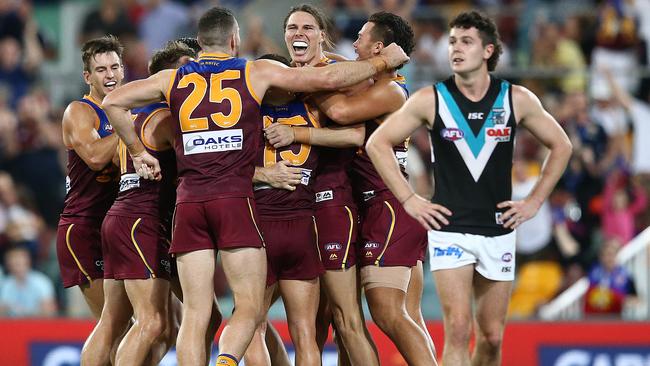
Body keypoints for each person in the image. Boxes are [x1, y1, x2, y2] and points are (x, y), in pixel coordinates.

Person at [102, 7, 409, 366]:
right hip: (240, 204)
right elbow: (328, 83)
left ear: (199, 43)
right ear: (234, 41)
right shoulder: (254, 72)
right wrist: (381, 62)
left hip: (189, 203)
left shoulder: (172, 80)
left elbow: (112, 102)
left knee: (198, 314)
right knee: (257, 313)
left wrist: (138, 152)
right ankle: (227, 360)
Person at [366, 11, 572, 366]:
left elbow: (562, 145)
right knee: (458, 328)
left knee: (491, 336)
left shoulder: (515, 98)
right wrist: (410, 199)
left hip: (498, 228)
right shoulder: (431, 98)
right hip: (450, 228)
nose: (455, 48)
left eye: (466, 41)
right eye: (452, 41)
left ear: (488, 50)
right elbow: (377, 143)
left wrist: (535, 200)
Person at [266, 11, 436, 365]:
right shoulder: (362, 78)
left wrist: (306, 82)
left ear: (377, 47)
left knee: (380, 314)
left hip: (380, 203)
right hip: (362, 203)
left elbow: (345, 118)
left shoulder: (389, 89)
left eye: (360, 37)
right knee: (368, 319)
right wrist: (314, 69)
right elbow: (338, 72)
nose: (353, 43)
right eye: (292, 28)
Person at [82, 41, 206, 366]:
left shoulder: (135, 115)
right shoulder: (166, 119)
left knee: (115, 322)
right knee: (150, 323)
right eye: (186, 70)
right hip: (142, 221)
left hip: (122, 218)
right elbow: (202, 162)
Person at [56, 35, 122, 321]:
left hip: (114, 228)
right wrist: (129, 129)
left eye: (115, 67)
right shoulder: (79, 111)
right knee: (113, 324)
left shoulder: (123, 109)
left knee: (139, 325)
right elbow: (95, 158)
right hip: (83, 228)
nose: (110, 75)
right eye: (101, 69)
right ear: (87, 76)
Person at [0, 245, 57, 317]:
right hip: (12, 325)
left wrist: (24, 312)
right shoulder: (5, 284)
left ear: (28, 261)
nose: (17, 266)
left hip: (37, 324)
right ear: (8, 265)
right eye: (13, 263)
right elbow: (2, 312)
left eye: (19, 262)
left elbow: (49, 311)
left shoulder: (41, 281)